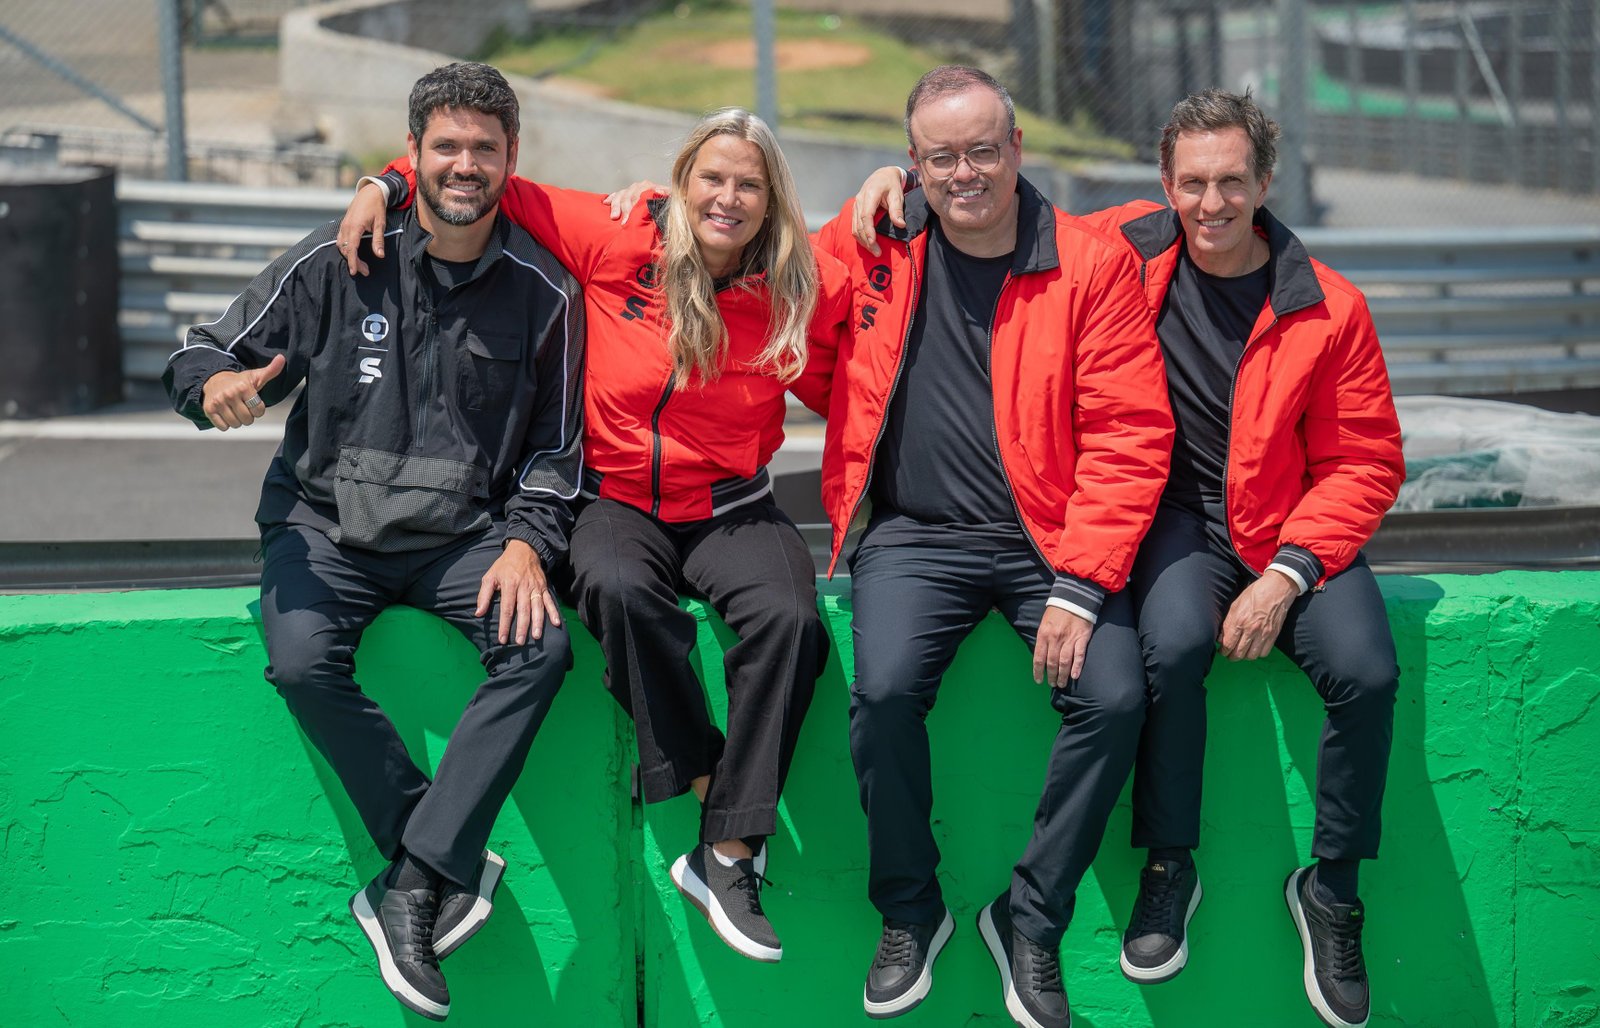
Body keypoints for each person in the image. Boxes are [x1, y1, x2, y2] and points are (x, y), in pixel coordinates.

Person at [338, 107, 851, 963]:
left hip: (732, 504)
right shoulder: (618, 237)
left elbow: (881, 280)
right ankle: (706, 781)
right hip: (613, 498)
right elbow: (482, 175)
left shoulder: (800, 281)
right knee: (614, 589)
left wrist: (893, 182)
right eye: (712, 179)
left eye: (749, 185)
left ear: (772, 201)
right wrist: (380, 183)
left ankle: (726, 855)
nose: (728, 198)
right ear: (681, 183)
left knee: (793, 621)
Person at [163, 62, 585, 1021]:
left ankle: (410, 884)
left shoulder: (543, 290)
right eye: (446, 147)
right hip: (324, 531)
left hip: (463, 541)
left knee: (541, 647)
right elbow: (203, 347)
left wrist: (529, 543)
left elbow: (558, 451)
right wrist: (209, 393)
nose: (465, 164)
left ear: (511, 159)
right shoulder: (334, 258)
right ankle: (431, 864)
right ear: (415, 156)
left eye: (485, 148)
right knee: (301, 663)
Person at [817, 66, 1173, 1028]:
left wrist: (1084, 583)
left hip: (1047, 537)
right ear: (913, 164)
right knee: (883, 693)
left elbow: (1131, 435)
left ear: (1017, 150)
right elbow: (743, 258)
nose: (964, 172)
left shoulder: (1089, 263)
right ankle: (909, 910)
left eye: (982, 150)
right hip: (912, 537)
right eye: (941, 157)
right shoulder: (871, 244)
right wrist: (396, 180)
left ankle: (1030, 915)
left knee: (1115, 695)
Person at [1098, 90, 1403, 1028]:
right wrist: (892, 180)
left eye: (1232, 181)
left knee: (1367, 670)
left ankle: (1333, 890)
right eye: (1192, 182)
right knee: (1173, 647)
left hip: (1291, 531)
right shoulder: (1124, 253)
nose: (1211, 202)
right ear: (1165, 184)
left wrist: (1289, 573)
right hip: (1180, 523)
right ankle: (1168, 865)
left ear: (1265, 183)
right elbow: (991, 208)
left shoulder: (1328, 306)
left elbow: (1365, 461)